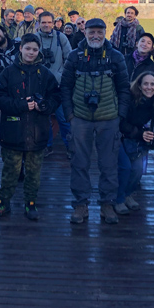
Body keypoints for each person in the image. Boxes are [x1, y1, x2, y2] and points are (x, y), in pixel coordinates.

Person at [60, 18, 130, 225]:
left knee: (109, 165)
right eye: (92, 32)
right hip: (80, 119)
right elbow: (65, 87)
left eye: (100, 32)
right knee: (79, 163)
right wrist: (70, 116)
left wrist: (120, 116)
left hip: (109, 120)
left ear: (105, 33)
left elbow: (124, 88)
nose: (95, 36)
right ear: (85, 32)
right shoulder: (74, 56)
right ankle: (80, 204)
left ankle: (107, 204)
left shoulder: (116, 57)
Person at [0, 34, 61, 221]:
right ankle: (4, 203)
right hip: (12, 132)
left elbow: (56, 96)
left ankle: (30, 203)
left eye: (35, 49)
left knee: (33, 173)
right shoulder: (8, 72)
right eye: (28, 48)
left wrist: (44, 106)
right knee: (10, 171)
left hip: (37, 133)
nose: (31, 52)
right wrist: (21, 105)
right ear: (20, 48)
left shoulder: (45, 74)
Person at [114, 71, 154, 215]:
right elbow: (121, 123)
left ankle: (127, 194)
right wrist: (141, 133)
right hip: (118, 136)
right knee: (125, 168)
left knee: (137, 170)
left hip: (136, 139)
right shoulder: (128, 98)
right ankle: (118, 199)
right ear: (139, 86)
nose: (149, 87)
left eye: (152, 84)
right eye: (146, 84)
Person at [37, 11, 72, 156]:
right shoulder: (34, 38)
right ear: (39, 23)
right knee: (43, 118)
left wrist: (62, 75)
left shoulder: (60, 37)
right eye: (43, 22)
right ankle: (47, 146)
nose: (46, 25)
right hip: (39, 85)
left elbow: (69, 58)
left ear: (53, 23)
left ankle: (70, 147)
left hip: (58, 85)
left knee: (63, 118)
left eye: (49, 22)